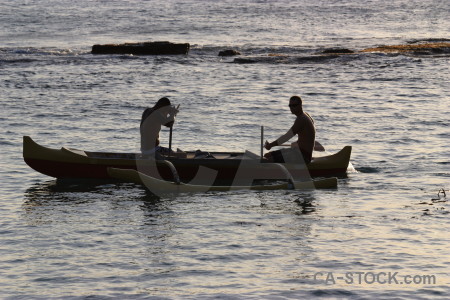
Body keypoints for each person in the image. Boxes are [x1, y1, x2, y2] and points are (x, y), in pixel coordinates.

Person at [264, 96, 317, 164]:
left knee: (268, 160)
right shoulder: (305, 115)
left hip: (303, 157)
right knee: (267, 155)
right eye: (290, 106)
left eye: (294, 105)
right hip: (297, 151)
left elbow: (286, 137)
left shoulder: (301, 119)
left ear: (300, 105)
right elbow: (307, 135)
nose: (291, 108)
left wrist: (270, 145)